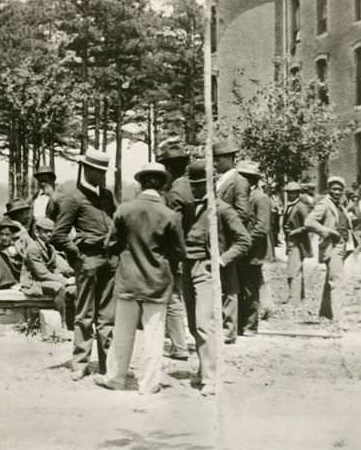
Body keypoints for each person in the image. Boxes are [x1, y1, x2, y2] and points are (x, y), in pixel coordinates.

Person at [95, 163, 187, 395]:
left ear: (141, 183)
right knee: (154, 335)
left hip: (128, 278)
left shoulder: (125, 210)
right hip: (157, 281)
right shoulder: (170, 215)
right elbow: (179, 252)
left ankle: (115, 379)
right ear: (163, 186)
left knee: (123, 332)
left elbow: (110, 244)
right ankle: (148, 385)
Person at [181, 160, 251, 396]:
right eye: (193, 185)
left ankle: (210, 377)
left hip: (207, 270)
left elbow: (244, 240)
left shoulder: (222, 209)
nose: (196, 189)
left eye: (201, 185)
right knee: (192, 323)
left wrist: (221, 260)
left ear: (211, 184)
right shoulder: (189, 208)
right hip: (187, 267)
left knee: (204, 323)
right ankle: (204, 368)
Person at [51, 147, 117, 381]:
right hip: (88, 260)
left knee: (108, 316)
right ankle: (80, 362)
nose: (103, 175)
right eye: (98, 171)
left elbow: (115, 223)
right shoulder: (73, 198)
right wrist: (78, 255)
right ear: (87, 170)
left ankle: (108, 363)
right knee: (84, 314)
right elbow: (58, 234)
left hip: (110, 261)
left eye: (104, 171)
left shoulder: (107, 197)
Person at [157, 140, 192, 361]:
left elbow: (174, 226)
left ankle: (179, 346)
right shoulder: (190, 185)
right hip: (191, 249)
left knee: (172, 298)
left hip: (177, 252)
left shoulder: (175, 192)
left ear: (169, 169)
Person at [213, 139, 250, 344]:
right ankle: (223, 325)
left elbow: (243, 213)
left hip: (229, 239)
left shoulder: (238, 181)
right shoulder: (221, 180)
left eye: (218, 159)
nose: (215, 164)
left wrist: (226, 220)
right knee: (223, 284)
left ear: (229, 159)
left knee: (230, 285)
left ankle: (229, 329)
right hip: (218, 237)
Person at [305, 176, 352, 320]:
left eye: (340, 189)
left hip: (342, 245)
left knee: (331, 278)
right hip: (332, 245)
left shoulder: (340, 205)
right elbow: (309, 222)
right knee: (337, 280)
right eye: (334, 189)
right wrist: (328, 231)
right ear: (329, 189)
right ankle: (338, 317)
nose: (337, 192)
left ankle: (325, 313)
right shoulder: (324, 204)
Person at [236, 161, 271, 336]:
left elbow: (262, 227)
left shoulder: (260, 198)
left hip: (253, 251)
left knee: (251, 289)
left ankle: (250, 325)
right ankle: (241, 323)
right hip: (242, 250)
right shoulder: (244, 197)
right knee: (241, 287)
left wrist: (245, 241)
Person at [282, 182, 312, 305]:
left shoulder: (301, 206)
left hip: (298, 242)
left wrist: (295, 232)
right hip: (291, 241)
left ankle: (294, 299)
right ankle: (300, 296)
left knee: (293, 270)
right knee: (295, 268)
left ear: (298, 193)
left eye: (293, 193)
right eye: (289, 193)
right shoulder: (290, 206)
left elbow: (309, 224)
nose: (290, 195)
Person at [0, 217, 23, 281]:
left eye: (7, 235)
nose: (4, 237)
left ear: (12, 235)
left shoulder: (18, 249)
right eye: (1, 234)